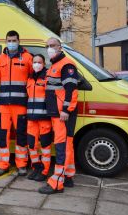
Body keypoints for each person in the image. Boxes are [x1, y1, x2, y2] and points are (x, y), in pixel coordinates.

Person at [39, 37, 79, 194]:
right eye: (48, 46)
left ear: (60, 47)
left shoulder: (66, 64)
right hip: (58, 113)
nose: (50, 48)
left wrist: (65, 110)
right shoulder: (54, 65)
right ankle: (68, 176)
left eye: (53, 45)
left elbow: (71, 90)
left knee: (62, 146)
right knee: (67, 145)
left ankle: (56, 183)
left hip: (62, 114)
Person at [0, 30, 33, 176]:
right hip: (3, 105)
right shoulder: (0, 59)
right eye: (9, 40)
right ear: (6, 41)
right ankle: (3, 164)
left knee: (21, 136)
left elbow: (33, 77)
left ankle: (21, 165)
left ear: (18, 40)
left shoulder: (28, 58)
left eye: (14, 40)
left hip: (20, 104)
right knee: (3, 135)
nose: (11, 43)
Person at [26, 54, 52, 181]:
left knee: (45, 146)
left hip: (44, 118)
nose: (36, 64)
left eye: (39, 62)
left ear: (44, 64)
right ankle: (36, 167)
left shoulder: (47, 78)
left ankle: (44, 170)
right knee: (31, 145)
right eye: (34, 62)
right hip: (31, 118)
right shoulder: (30, 78)